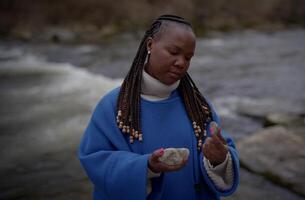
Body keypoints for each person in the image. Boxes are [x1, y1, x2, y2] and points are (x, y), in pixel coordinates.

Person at [78, 15, 239, 200]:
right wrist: (146, 167)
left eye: (188, 57)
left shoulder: (199, 106)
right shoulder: (114, 106)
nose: (181, 63)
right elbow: (95, 160)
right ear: (150, 45)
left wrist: (219, 160)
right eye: (173, 52)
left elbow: (223, 150)